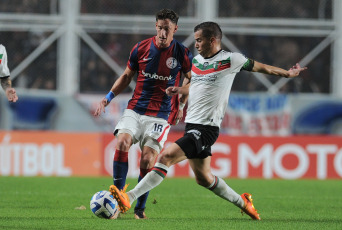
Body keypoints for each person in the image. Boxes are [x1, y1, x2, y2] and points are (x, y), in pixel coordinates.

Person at [109, 21, 307, 220]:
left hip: (207, 128)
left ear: (212, 41)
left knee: (165, 157)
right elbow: (194, 87)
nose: (195, 45)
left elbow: (262, 68)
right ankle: (243, 202)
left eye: (199, 40)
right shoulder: (197, 62)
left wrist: (288, 73)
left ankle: (129, 197)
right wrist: (180, 93)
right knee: (204, 178)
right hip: (192, 125)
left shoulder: (231, 60)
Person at [94, 9, 193, 219]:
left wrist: (181, 104)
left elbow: (191, 80)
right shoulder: (141, 48)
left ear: (175, 29)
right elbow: (127, 75)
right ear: (155, 26)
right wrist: (108, 97)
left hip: (160, 114)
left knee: (148, 160)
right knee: (122, 143)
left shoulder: (182, 53)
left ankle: (139, 209)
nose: (162, 33)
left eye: (167, 29)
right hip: (135, 108)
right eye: (159, 28)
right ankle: (118, 198)